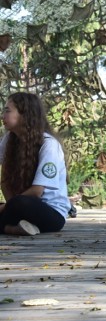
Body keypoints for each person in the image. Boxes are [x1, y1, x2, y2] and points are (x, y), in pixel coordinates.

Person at [0, 93, 70, 236]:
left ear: (24, 114)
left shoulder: (49, 145)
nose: (2, 116)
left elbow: (37, 192)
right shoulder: (9, 140)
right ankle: (15, 228)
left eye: (7, 111)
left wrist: (8, 207)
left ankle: (8, 228)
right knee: (15, 203)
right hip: (18, 208)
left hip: (51, 213)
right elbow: (4, 180)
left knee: (19, 202)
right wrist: (9, 207)